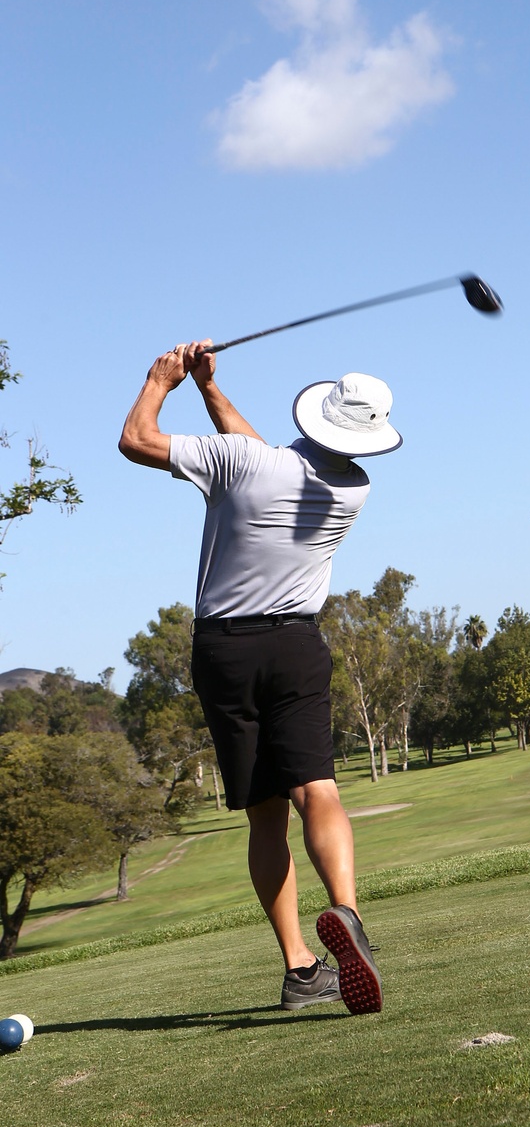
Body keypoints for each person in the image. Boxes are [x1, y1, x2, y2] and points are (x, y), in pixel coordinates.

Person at [118, 340, 402, 1015]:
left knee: (265, 815)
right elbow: (264, 457)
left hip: (225, 651)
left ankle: (300, 967)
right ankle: (347, 912)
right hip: (298, 644)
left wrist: (163, 380)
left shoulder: (245, 463)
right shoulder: (353, 488)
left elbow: (136, 440)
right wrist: (211, 390)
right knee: (318, 788)